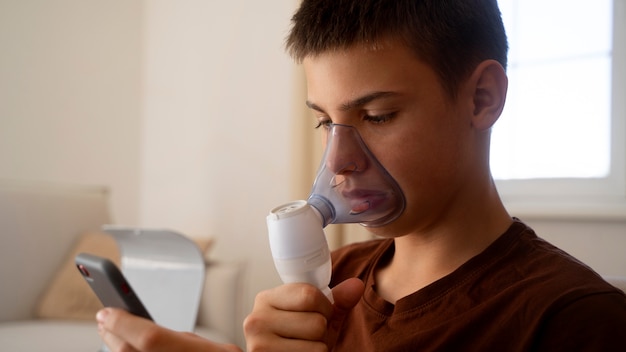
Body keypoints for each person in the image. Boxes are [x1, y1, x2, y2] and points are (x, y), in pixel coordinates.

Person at [95, 0, 626, 351]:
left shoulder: (575, 321)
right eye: (326, 121)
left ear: (481, 99)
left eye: (376, 116)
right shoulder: (336, 278)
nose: (335, 161)